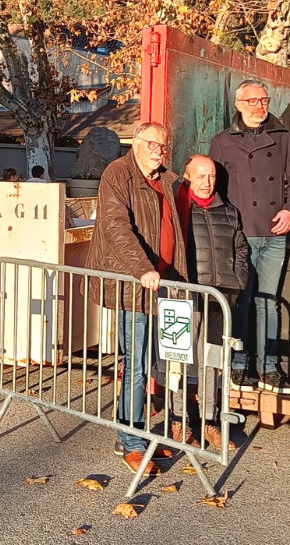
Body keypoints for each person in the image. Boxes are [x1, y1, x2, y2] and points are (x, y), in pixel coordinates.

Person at [88, 122, 188, 476]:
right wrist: (142, 268)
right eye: (153, 145)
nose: (160, 151)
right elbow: (116, 226)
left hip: (163, 283)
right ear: (137, 143)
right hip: (136, 283)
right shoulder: (118, 175)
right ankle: (131, 440)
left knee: (150, 362)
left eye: (164, 145)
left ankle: (134, 431)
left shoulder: (167, 179)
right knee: (137, 362)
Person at [209, 79, 290, 394]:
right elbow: (215, 190)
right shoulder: (222, 142)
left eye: (263, 100)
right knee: (242, 301)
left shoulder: (283, 137)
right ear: (238, 105)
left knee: (270, 302)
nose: (258, 107)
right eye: (251, 101)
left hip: (274, 232)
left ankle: (269, 368)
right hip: (241, 234)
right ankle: (239, 366)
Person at [175, 154, 248, 452]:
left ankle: (209, 422)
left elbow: (240, 247)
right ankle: (178, 420)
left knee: (211, 362)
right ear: (188, 177)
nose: (207, 182)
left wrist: (238, 279)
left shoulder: (229, 211)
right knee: (176, 360)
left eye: (212, 176)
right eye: (201, 176)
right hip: (185, 298)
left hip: (221, 298)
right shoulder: (178, 210)